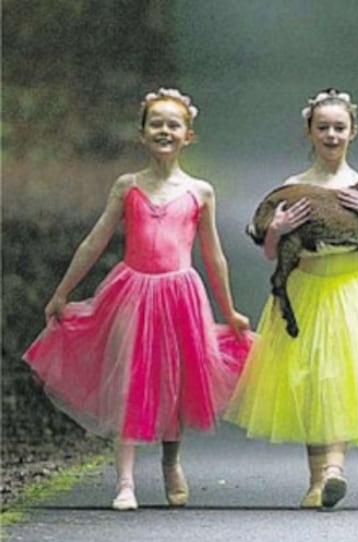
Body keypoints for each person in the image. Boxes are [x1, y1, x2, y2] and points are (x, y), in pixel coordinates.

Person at [23, 88, 252, 511]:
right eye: (156, 124)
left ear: (188, 135)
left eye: (173, 125)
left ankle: (171, 461)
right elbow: (95, 241)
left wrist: (230, 309)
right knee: (129, 379)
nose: (164, 131)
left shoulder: (200, 192)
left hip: (180, 292)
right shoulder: (127, 186)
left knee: (176, 379)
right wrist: (63, 291)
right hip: (132, 291)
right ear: (142, 134)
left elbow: (213, 255)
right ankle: (125, 482)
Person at [224, 89, 358, 510]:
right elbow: (273, 253)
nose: (332, 136)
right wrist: (275, 228)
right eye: (323, 128)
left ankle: (334, 468)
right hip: (305, 288)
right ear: (309, 132)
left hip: (351, 289)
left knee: (341, 377)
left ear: (353, 132)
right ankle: (317, 481)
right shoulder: (294, 188)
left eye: (339, 128)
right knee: (309, 381)